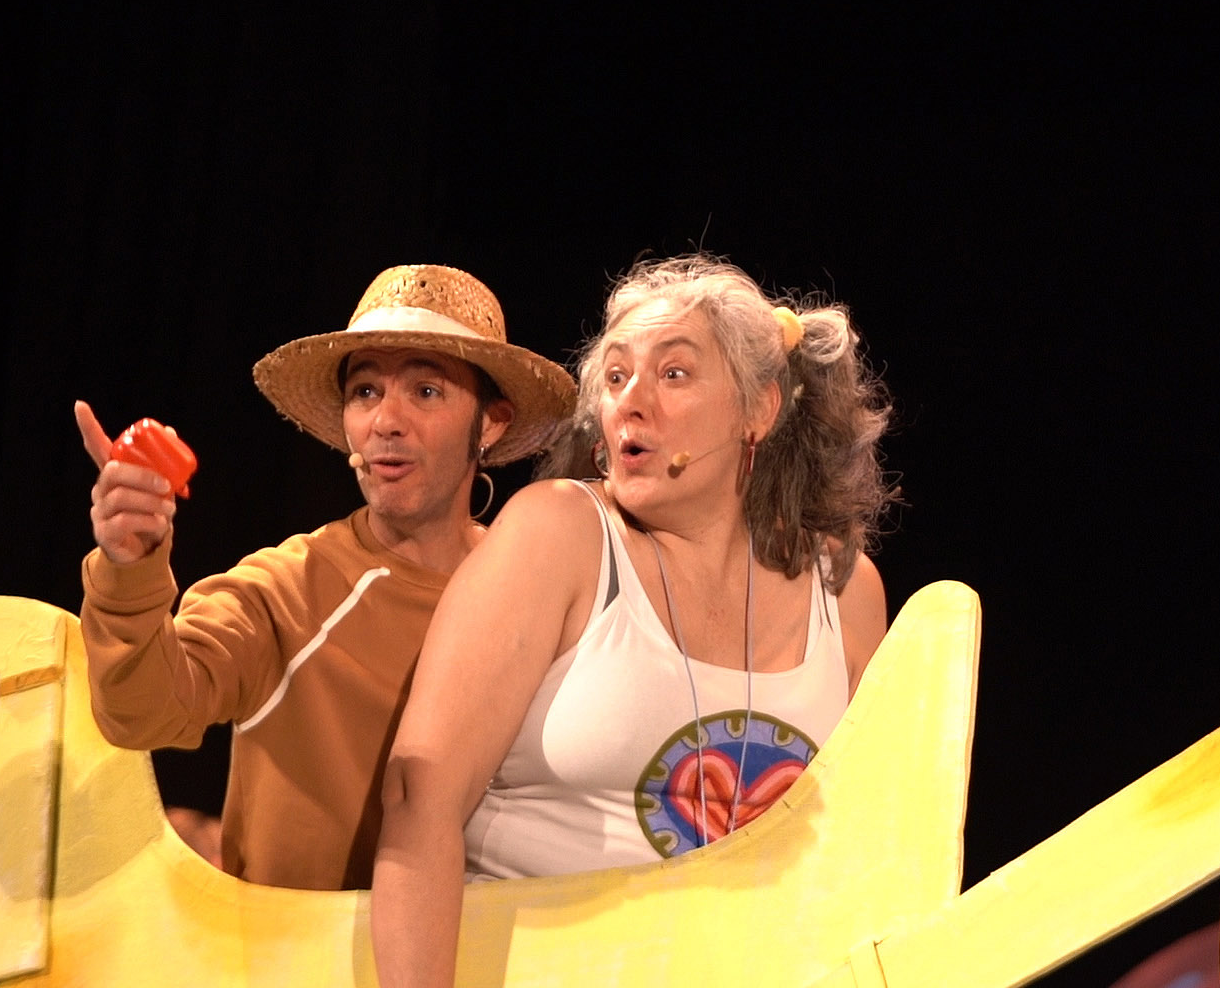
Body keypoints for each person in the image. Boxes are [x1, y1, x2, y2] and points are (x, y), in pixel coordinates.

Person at [371, 253, 897, 986]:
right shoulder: (559, 535)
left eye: (673, 374)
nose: (631, 402)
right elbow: (418, 801)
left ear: (759, 410)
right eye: (616, 377)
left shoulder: (844, 591)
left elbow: (872, 848)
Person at [73, 264, 575, 891]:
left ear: (492, 423)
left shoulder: (543, 590)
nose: (385, 421)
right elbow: (142, 713)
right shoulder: (287, 589)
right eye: (365, 392)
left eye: (426, 391)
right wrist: (130, 568)